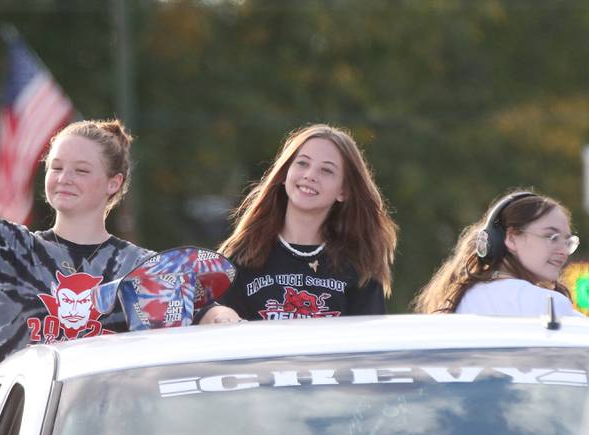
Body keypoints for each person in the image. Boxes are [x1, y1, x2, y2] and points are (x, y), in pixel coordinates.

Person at [0, 58, 151, 380]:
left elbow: (195, 313)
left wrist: (218, 314)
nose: (65, 178)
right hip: (22, 429)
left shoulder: (141, 268)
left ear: (114, 183)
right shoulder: (13, 249)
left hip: (106, 427)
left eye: (81, 170)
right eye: (57, 167)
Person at [202, 124, 397, 322]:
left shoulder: (360, 266)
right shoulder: (241, 257)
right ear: (285, 174)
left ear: (343, 191)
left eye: (326, 170)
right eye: (303, 163)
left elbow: (366, 346)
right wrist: (212, 313)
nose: (310, 175)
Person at [412, 189, 584, 316]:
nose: (563, 251)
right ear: (511, 238)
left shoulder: (464, 298)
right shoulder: (548, 305)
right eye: (551, 237)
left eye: (568, 241)